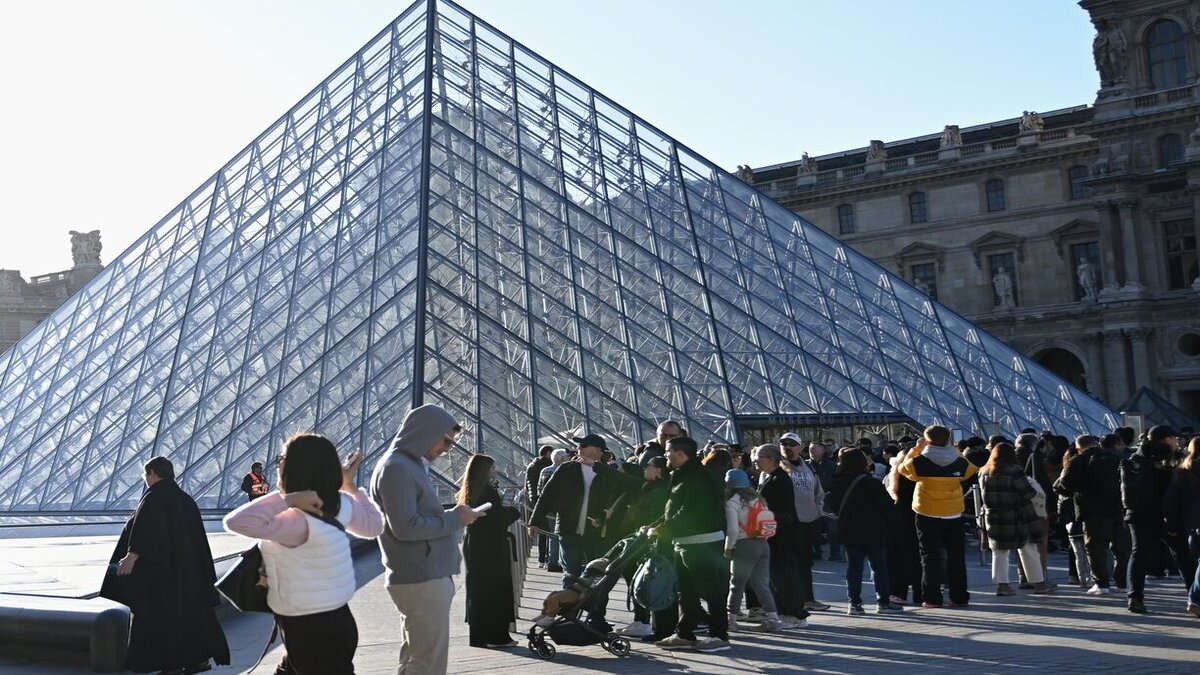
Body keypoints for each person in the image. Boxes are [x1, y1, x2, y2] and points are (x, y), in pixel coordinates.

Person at [224, 434, 384, 674]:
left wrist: (288, 499)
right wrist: (349, 486)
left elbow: (236, 522)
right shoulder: (341, 504)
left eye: (282, 458)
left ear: (297, 467)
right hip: (337, 617)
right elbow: (374, 526)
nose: (278, 464)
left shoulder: (295, 519)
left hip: (306, 625)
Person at [370, 404, 482, 675]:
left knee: (415, 658)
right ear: (425, 432)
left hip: (419, 574)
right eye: (445, 440)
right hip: (421, 577)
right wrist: (456, 519)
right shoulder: (398, 468)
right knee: (428, 663)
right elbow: (406, 528)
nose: (446, 449)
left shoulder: (402, 465)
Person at [100, 457, 229, 674]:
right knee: (190, 618)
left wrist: (130, 557)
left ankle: (170, 665)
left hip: (162, 578)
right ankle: (198, 660)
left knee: (161, 620)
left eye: (145, 475)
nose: (145, 480)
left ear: (151, 473)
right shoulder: (185, 499)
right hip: (189, 575)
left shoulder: (154, 497)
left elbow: (145, 532)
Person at [529, 433, 637, 629]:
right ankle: (569, 614)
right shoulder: (567, 468)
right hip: (569, 529)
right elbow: (548, 494)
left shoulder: (609, 470)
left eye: (584, 445)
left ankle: (597, 616)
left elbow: (629, 484)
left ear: (597, 450)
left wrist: (597, 467)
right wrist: (534, 521)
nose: (578, 448)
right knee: (570, 574)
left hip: (597, 532)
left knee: (598, 577)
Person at [650, 436, 731, 653]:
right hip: (685, 542)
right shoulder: (682, 475)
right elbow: (672, 509)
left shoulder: (696, 477)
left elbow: (689, 512)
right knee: (686, 592)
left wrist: (662, 529)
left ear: (680, 453)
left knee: (711, 591)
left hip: (702, 544)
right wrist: (656, 525)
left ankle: (718, 635)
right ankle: (685, 633)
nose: (665, 456)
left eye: (668, 452)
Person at [898, 424, 977, 608]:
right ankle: (959, 596)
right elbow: (971, 470)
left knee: (929, 557)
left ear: (927, 440)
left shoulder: (919, 462)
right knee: (956, 556)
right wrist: (953, 449)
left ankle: (932, 598)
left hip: (927, 511)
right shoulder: (959, 462)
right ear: (948, 440)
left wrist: (917, 448)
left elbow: (903, 469)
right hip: (953, 512)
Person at [1121, 425, 1195, 614]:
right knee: (1184, 558)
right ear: (1166, 439)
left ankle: (1134, 597)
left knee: (1138, 556)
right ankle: (1195, 598)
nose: (1176, 442)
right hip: (1167, 516)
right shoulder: (1171, 459)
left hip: (1138, 515)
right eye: (1173, 438)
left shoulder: (1133, 459)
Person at [829, 447, 904, 615]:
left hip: (850, 530)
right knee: (879, 567)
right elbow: (887, 508)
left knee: (854, 568)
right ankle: (883, 602)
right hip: (874, 530)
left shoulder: (838, 482)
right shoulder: (872, 483)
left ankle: (854, 603)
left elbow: (833, 505)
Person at [457, 454, 522, 647]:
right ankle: (496, 636)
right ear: (484, 471)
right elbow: (497, 521)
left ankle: (480, 635)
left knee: (478, 589)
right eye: (492, 468)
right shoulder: (489, 492)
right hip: (492, 545)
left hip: (474, 544)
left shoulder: (468, 491)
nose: (494, 471)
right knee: (496, 588)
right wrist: (513, 510)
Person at [977, 442, 1055, 596]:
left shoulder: (983, 472)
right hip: (1018, 515)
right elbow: (1028, 493)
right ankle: (1039, 583)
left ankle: (1002, 585)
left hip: (993, 516)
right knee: (1028, 549)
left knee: (999, 551)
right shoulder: (1014, 471)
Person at [1056, 433, 1128, 597]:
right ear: (1095, 443)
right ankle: (1122, 581)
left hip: (1092, 510)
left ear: (1079, 447)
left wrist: (1082, 487)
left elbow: (1065, 483)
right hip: (1117, 508)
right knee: (1120, 547)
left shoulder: (1078, 460)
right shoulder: (1114, 457)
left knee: (1095, 547)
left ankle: (1101, 583)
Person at [723, 469, 787, 632]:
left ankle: (731, 620)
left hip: (744, 544)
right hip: (763, 543)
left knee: (736, 583)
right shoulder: (759, 500)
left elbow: (733, 530)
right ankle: (773, 618)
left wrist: (729, 548)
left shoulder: (732, 502)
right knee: (761, 584)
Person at [614, 456, 671, 639]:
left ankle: (645, 621)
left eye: (648, 466)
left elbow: (645, 516)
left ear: (658, 470)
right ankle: (642, 620)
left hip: (646, 541)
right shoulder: (653, 488)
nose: (644, 469)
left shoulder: (658, 491)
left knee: (642, 581)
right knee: (638, 579)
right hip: (643, 539)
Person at [754, 444, 811, 625]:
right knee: (779, 576)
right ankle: (786, 612)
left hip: (781, 535)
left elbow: (783, 510)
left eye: (760, 457)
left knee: (784, 576)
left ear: (771, 459)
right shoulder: (773, 477)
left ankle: (795, 614)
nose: (755, 460)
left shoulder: (779, 479)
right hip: (777, 534)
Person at [782, 437, 828, 611]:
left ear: (800, 447)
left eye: (792, 444)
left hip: (808, 522)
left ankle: (808, 598)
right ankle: (791, 601)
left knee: (806, 562)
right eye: (784, 444)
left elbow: (819, 492)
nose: (787, 447)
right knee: (789, 563)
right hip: (788, 523)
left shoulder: (809, 467)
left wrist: (817, 510)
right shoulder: (778, 467)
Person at [1163, 437, 1200, 618]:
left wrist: (1172, 524)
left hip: (1192, 523)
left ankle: (1194, 598)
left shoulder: (1182, 470)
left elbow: (1171, 500)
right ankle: (1194, 598)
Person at [536, 448, 570, 573]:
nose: (568, 459)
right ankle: (557, 561)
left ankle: (552, 560)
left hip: (548, 508)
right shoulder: (564, 470)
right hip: (561, 508)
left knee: (552, 535)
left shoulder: (544, 471)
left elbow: (539, 490)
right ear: (561, 459)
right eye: (566, 457)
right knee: (560, 535)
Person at [808, 442, 841, 562]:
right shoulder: (806, 466)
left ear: (822, 450)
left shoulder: (831, 466)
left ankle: (835, 553)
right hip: (810, 501)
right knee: (813, 528)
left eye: (814, 449)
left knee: (831, 527)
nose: (811, 451)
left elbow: (836, 483)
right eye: (810, 449)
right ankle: (817, 552)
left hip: (827, 500)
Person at [526, 446, 554, 569]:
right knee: (550, 531)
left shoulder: (532, 465)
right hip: (546, 500)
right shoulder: (547, 467)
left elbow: (528, 486)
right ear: (548, 453)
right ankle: (549, 558)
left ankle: (541, 559)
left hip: (534, 500)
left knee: (542, 531)